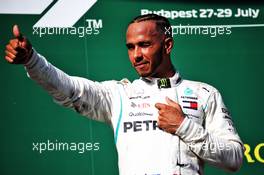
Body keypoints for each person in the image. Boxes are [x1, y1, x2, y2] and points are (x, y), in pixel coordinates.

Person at [4, 14, 243, 175]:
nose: (136, 55)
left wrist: (184, 126)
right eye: (131, 47)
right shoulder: (119, 94)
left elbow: (234, 159)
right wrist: (32, 61)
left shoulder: (205, 93)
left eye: (145, 45)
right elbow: (69, 88)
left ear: (167, 45)